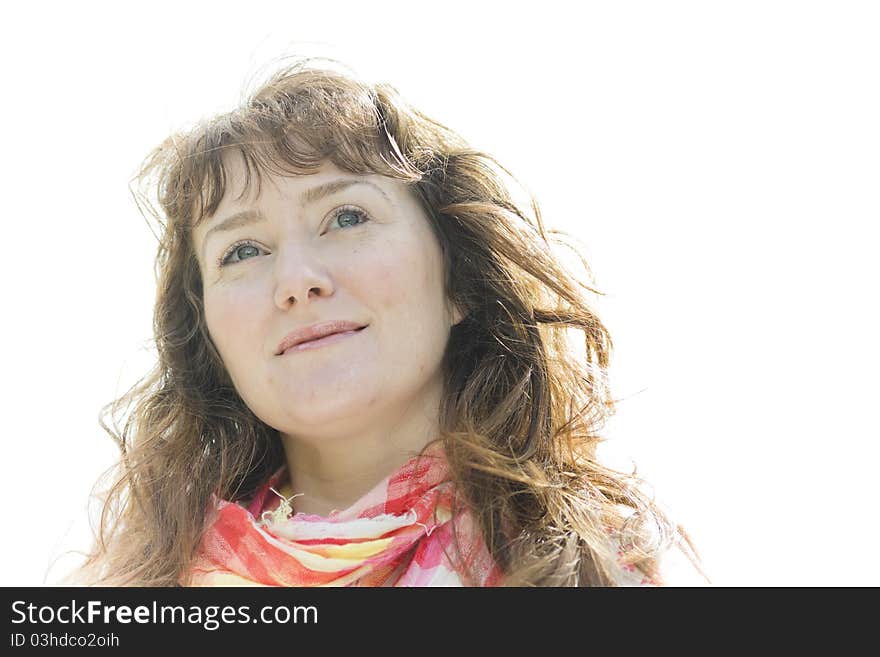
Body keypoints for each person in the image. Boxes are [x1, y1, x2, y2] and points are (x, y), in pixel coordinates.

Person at [72, 55, 709, 587]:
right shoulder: (126, 593)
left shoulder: (596, 568)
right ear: (208, 337)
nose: (296, 281)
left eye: (346, 217)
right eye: (242, 251)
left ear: (457, 280)